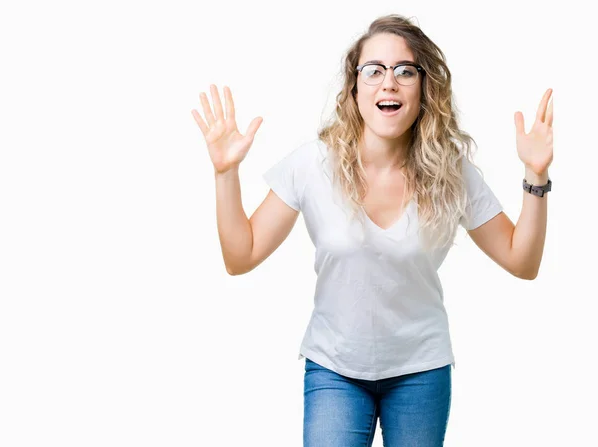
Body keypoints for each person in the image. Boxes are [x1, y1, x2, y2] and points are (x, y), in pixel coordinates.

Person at [191, 13, 553, 447]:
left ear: (424, 89)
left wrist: (535, 174)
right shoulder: (312, 165)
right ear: (354, 88)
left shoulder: (452, 173)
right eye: (374, 71)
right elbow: (240, 256)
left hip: (421, 370)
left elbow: (522, 261)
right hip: (334, 369)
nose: (389, 83)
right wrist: (225, 172)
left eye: (404, 71)